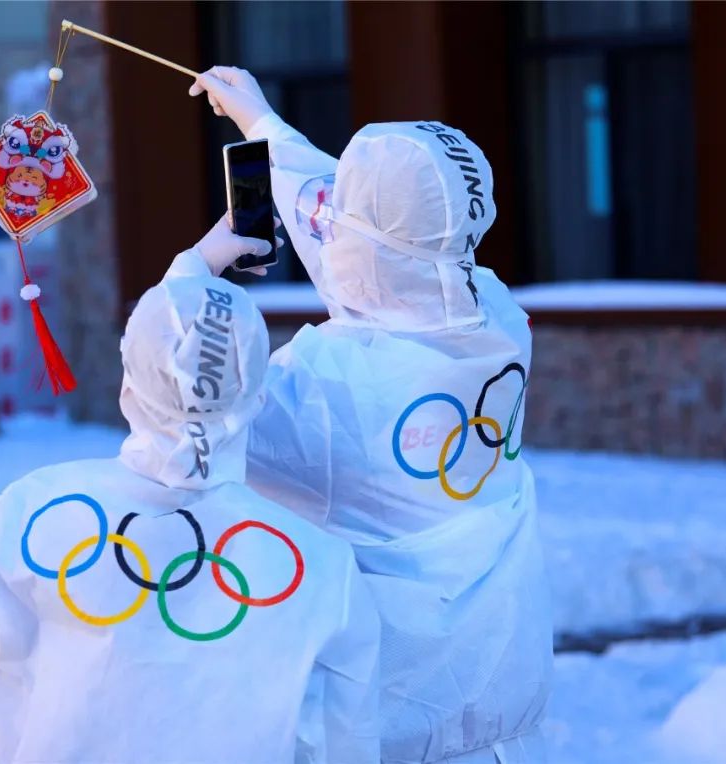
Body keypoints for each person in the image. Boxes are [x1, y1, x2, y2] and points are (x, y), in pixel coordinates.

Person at [0, 216, 381, 764]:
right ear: (258, 393)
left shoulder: (32, 510)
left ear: (127, 376)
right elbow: (346, 738)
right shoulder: (320, 566)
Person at [190, 68, 554, 763]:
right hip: (492, 720)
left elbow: (183, 407)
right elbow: (387, 242)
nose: (330, 220)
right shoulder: (497, 319)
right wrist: (264, 129)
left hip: (384, 724)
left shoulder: (333, 387)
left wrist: (195, 270)